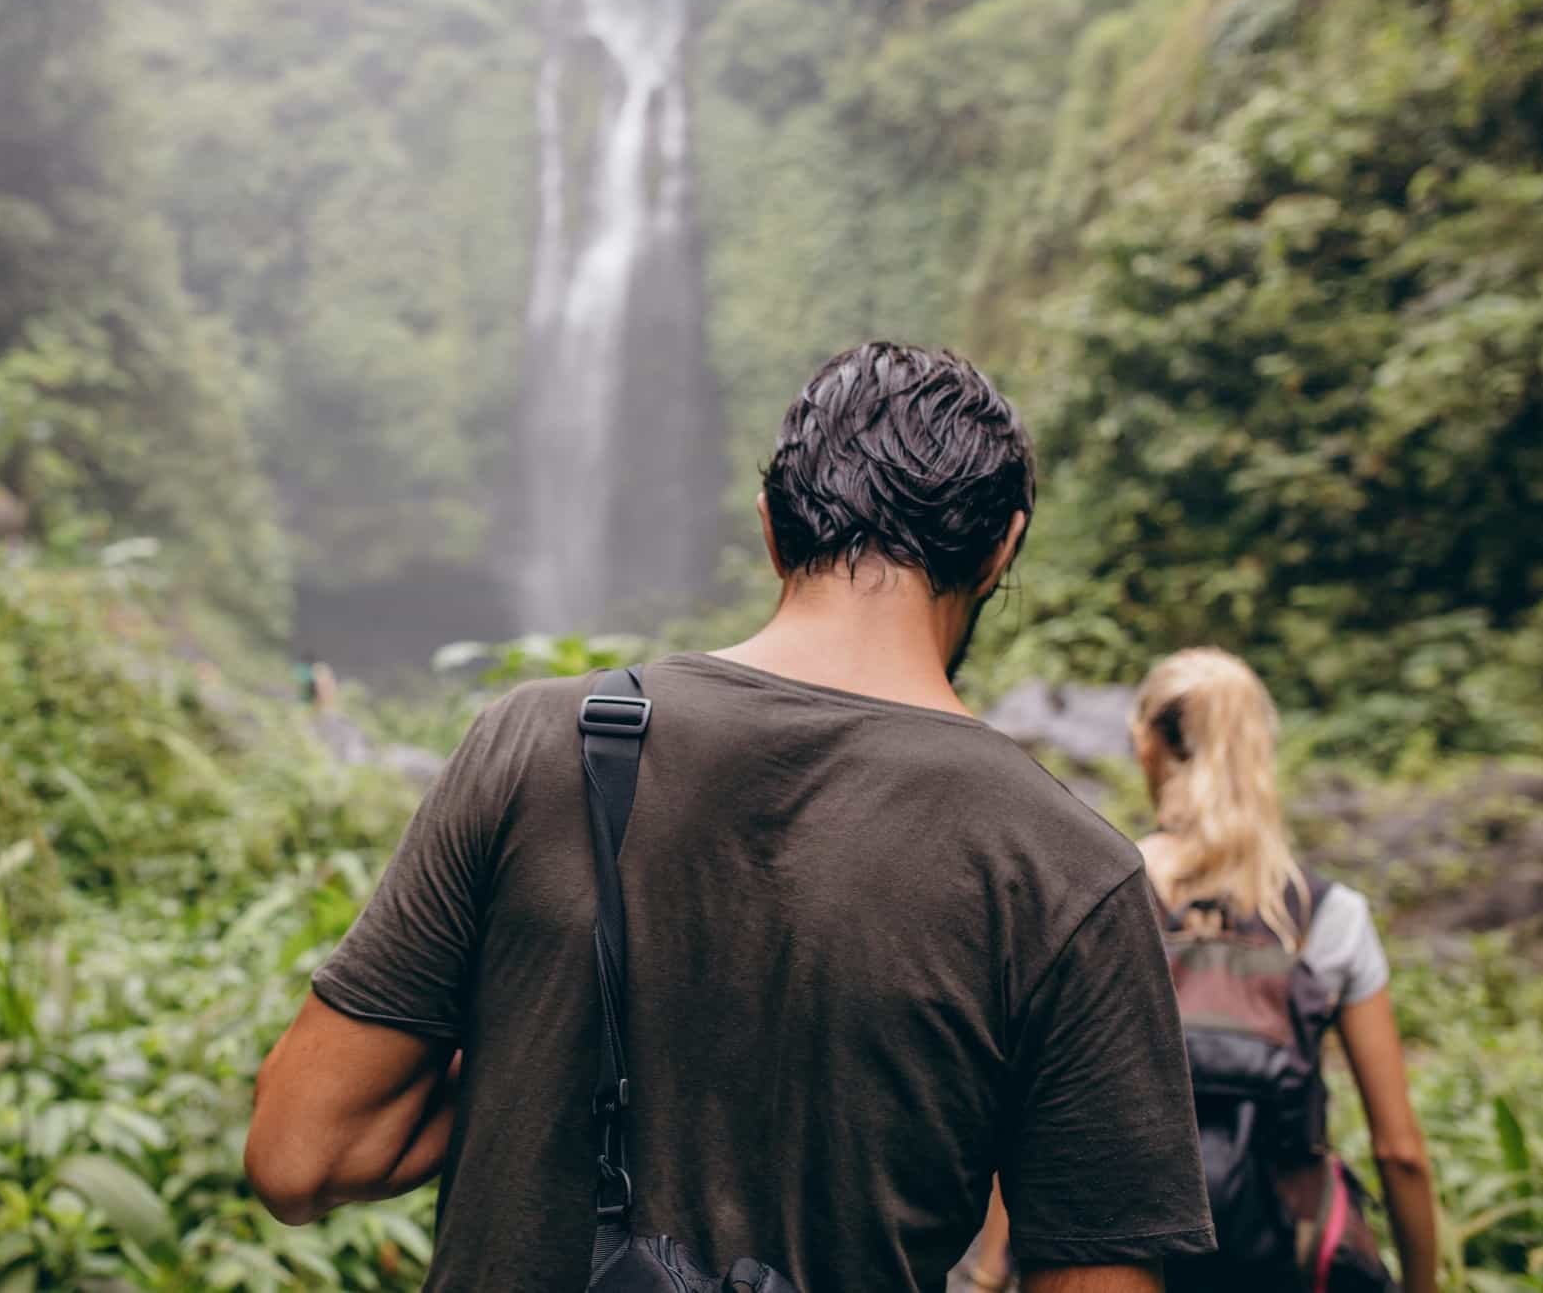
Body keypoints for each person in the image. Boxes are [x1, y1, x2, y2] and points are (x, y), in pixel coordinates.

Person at [245, 342, 1215, 1290]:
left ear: (769, 529)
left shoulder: (536, 740)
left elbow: (300, 1153)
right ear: (1003, 547)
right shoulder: (1068, 870)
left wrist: (535, 1043)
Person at [972, 649, 1439, 1293]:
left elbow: (1028, 1106)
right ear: (1261, 749)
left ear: (1144, 747)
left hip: (1117, 1257)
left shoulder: (1097, 896)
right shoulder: (1325, 915)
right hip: (1282, 1255)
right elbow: (1400, 1151)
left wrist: (992, 1269)